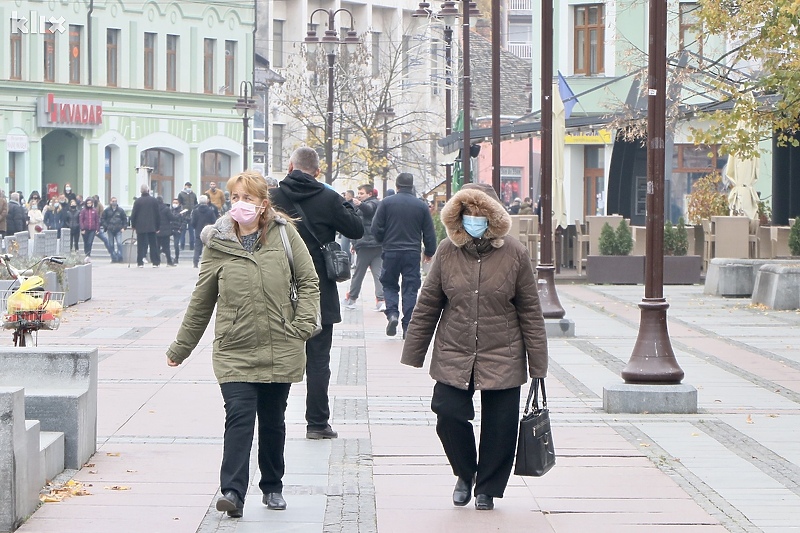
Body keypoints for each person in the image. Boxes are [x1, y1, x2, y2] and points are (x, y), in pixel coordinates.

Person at [166, 171, 319, 518]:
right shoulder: (217, 243)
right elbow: (201, 300)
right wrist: (181, 347)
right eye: (235, 198)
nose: (240, 204)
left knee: (272, 418)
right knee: (238, 415)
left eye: (247, 198)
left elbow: (309, 281)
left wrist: (303, 324)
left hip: (282, 342)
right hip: (235, 348)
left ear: (263, 204)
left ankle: (272, 486)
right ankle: (232, 491)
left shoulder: (285, 235)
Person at [400, 183, 548, 511]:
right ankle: (465, 473)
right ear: (459, 216)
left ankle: (488, 488)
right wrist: (414, 351)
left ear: (493, 217)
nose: (474, 221)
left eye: (481, 216)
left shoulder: (514, 253)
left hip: (503, 351)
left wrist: (538, 365)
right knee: (447, 413)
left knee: (500, 427)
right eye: (468, 215)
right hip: (455, 350)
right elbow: (427, 304)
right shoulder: (446, 251)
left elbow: (530, 311)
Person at [270, 146, 363, 440]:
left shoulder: (272, 198)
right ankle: (317, 423)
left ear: (289, 166)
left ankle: (273, 420)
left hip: (278, 287)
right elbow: (356, 229)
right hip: (319, 289)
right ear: (318, 171)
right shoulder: (329, 197)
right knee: (319, 360)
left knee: (275, 357)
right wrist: (348, 205)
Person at [371, 173, 437, 339]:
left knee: (389, 284)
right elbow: (429, 232)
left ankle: (392, 313)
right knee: (410, 288)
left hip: (391, 251)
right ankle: (407, 325)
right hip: (412, 253)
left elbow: (375, 228)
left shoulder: (386, 203)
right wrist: (429, 251)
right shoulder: (421, 205)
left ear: (397, 185)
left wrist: (383, 240)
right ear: (411, 185)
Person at [343, 184, 384, 311]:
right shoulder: (379, 204)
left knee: (359, 274)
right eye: (358, 193)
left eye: (361, 193)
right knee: (378, 274)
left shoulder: (372, 204)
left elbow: (368, 209)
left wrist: (359, 204)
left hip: (366, 245)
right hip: (377, 244)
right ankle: (381, 300)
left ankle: (352, 299)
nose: (359, 196)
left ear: (370, 194)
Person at [130, 184, 161, 267]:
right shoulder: (154, 200)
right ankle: (155, 262)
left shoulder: (137, 201)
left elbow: (134, 214)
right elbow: (157, 214)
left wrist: (133, 225)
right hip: (152, 226)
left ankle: (140, 262)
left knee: (140, 245)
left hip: (140, 226)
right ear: (148, 190)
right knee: (153, 244)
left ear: (141, 191)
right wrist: (158, 226)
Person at [190, 195, 217, 268]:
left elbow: (192, 222)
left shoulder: (195, 211)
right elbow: (214, 221)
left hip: (198, 231)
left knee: (197, 247)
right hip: (208, 232)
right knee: (208, 247)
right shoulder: (210, 211)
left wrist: (196, 227)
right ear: (206, 201)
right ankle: (208, 262)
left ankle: (195, 262)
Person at [101, 197, 127, 263]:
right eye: (113, 201)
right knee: (111, 244)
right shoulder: (107, 210)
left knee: (119, 243)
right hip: (110, 229)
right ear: (110, 202)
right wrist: (106, 226)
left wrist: (124, 227)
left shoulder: (120, 210)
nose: (114, 202)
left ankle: (120, 257)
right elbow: (102, 219)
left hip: (118, 229)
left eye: (115, 201)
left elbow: (124, 219)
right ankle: (113, 257)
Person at [155, 197, 177, 266]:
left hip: (157, 231)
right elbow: (172, 218)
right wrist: (178, 215)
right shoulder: (166, 209)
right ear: (162, 201)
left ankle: (156, 262)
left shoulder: (154, 209)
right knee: (167, 247)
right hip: (165, 232)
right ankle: (169, 262)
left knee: (157, 247)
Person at [177, 182, 198, 250]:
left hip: (191, 214)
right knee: (183, 230)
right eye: (187, 186)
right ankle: (182, 245)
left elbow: (195, 203)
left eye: (189, 186)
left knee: (191, 231)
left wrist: (194, 210)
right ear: (185, 186)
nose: (188, 187)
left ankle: (192, 246)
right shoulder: (181, 194)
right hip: (184, 214)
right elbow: (179, 204)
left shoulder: (193, 194)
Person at [170, 198, 186, 264]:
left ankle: (176, 258)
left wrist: (180, 229)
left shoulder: (181, 211)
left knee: (176, 245)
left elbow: (184, 221)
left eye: (176, 203)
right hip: (170, 229)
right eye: (174, 202)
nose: (174, 204)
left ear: (179, 204)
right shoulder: (170, 210)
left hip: (177, 229)